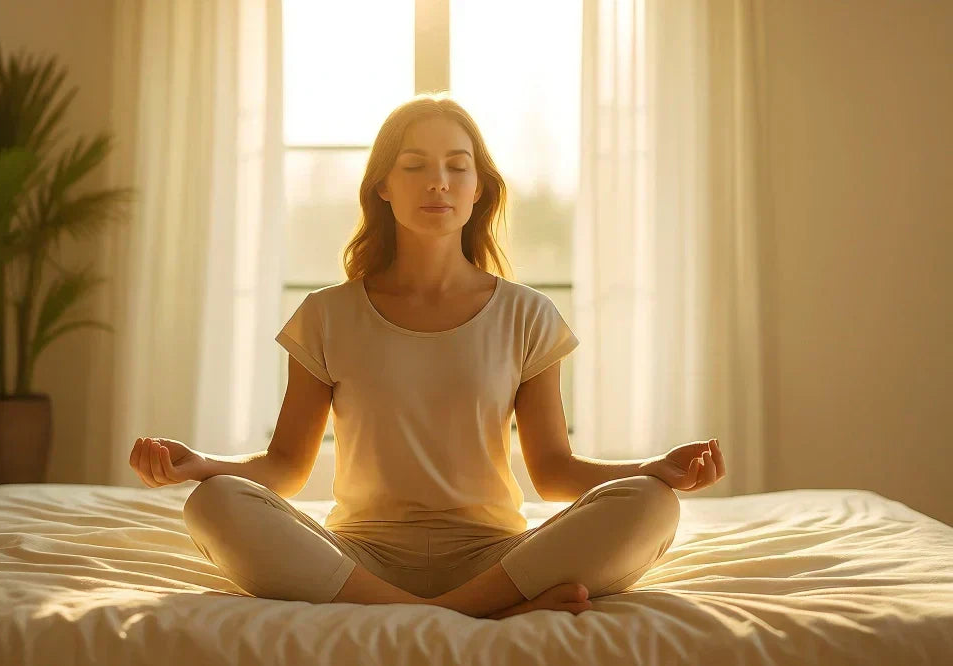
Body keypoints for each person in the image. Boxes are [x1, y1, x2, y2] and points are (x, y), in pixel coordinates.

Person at [128, 93, 727, 620]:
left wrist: (654, 468)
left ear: (478, 189)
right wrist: (200, 465)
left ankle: (445, 609)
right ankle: (478, 615)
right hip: (356, 558)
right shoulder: (327, 314)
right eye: (413, 165)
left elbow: (552, 473)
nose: (436, 181)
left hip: (497, 556)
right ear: (383, 187)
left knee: (650, 504)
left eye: (455, 167)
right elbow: (286, 467)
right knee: (214, 503)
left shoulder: (528, 314)